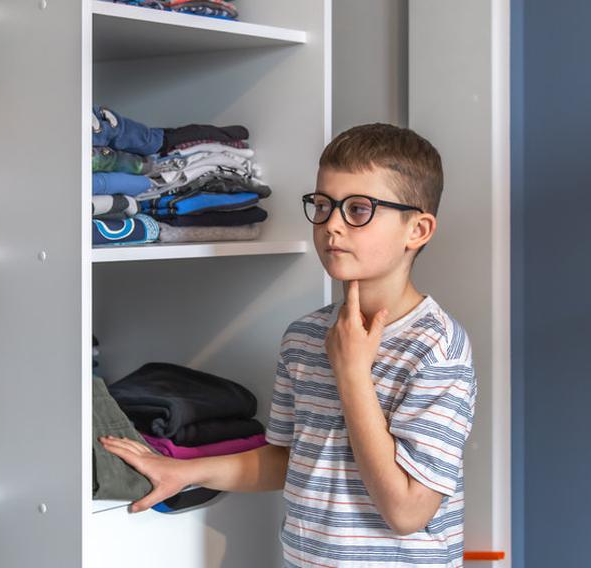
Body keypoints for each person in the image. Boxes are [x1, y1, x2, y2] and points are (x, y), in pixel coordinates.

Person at [100, 123, 477, 567]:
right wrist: (180, 471)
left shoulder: (438, 350)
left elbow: (408, 511)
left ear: (417, 229)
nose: (332, 224)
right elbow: (288, 460)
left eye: (358, 209)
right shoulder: (304, 338)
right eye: (323, 205)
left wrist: (353, 374)